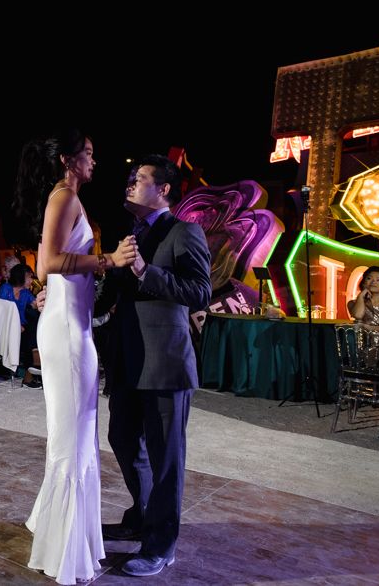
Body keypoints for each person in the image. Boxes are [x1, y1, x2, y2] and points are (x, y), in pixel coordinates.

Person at [13, 129, 136, 585]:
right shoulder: (62, 196)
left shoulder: (69, 198)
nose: (94, 162)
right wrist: (107, 262)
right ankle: (63, 549)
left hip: (72, 324)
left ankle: (60, 531)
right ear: (68, 159)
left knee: (79, 434)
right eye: (89, 154)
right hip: (66, 332)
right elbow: (48, 262)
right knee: (73, 436)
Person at [99, 155, 211, 578]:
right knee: (122, 438)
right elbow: (109, 298)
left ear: (163, 189)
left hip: (166, 364)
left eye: (139, 178)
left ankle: (161, 544)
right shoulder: (129, 235)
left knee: (166, 458)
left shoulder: (185, 232)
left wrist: (146, 271)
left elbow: (199, 292)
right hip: (128, 362)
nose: (130, 182)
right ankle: (142, 514)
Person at [0, 263, 40, 387]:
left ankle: (33, 368)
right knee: (32, 331)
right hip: (6, 328)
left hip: (21, 330)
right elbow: (1, 312)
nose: (32, 280)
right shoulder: (6, 289)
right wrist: (15, 325)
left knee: (36, 323)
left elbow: (35, 304)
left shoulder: (26, 293)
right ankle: (32, 370)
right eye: (29, 277)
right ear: (21, 276)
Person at [348, 266, 379, 339]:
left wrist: (369, 328)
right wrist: (361, 296)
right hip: (362, 347)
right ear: (363, 282)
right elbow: (358, 315)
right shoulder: (352, 303)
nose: (373, 282)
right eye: (369, 278)